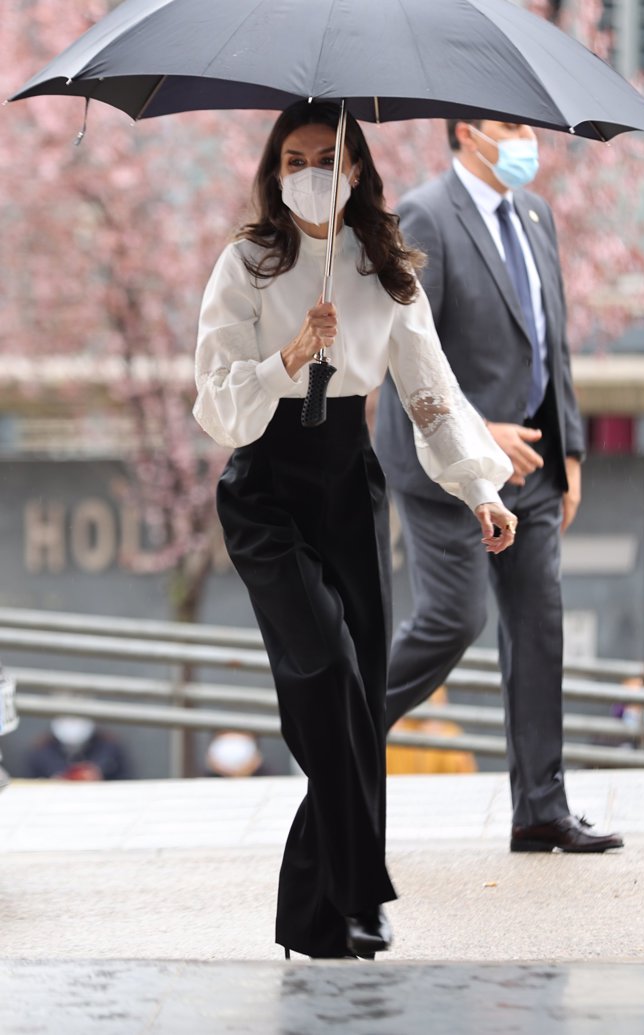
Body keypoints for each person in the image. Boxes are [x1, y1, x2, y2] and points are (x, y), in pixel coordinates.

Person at [193, 100, 517, 960]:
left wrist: (479, 487)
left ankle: (328, 915)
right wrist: (290, 354)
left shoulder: (385, 270)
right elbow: (218, 406)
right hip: (265, 489)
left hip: (349, 484)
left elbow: (429, 391)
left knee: (360, 697)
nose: (307, 172)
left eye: (322, 158)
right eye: (291, 158)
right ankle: (358, 892)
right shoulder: (245, 264)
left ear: (357, 170)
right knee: (326, 676)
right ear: (271, 171)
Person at [376, 118, 624, 854]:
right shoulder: (425, 214)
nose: (524, 140)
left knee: (539, 628)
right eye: (509, 127)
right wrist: (480, 433)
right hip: (447, 467)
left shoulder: (536, 215)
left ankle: (541, 808)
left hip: (534, 467)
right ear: (466, 132)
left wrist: (571, 451)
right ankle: (340, 722)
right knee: (455, 620)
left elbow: (554, 342)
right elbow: (406, 356)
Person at [25, 715, 129, 781]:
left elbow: (125, 779)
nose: (73, 723)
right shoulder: (41, 749)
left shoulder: (109, 746)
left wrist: (96, 773)